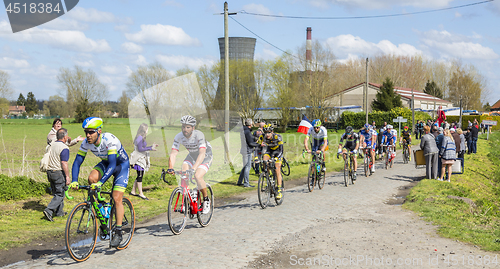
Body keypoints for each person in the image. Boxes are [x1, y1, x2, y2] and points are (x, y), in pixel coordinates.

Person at [69, 117, 130, 247]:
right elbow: (77, 162)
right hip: (106, 163)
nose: (88, 135)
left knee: (117, 197)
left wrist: (101, 182)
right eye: (86, 132)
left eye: (91, 132)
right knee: (91, 179)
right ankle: (102, 206)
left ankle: (118, 231)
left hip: (120, 166)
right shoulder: (86, 142)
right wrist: (74, 180)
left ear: (99, 131)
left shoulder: (109, 140)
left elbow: (113, 164)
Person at [167, 115, 213, 214]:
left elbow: (202, 153)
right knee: (184, 173)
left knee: (197, 176)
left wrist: (194, 168)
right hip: (192, 155)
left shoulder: (199, 135)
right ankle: (186, 202)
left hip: (205, 156)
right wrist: (170, 167)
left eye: (188, 127)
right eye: (183, 126)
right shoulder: (179, 136)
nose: (185, 129)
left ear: (193, 128)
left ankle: (206, 200)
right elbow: (173, 153)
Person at [43, 128, 71, 221]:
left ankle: (59, 212)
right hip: (58, 172)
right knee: (60, 194)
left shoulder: (52, 144)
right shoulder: (64, 148)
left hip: (49, 172)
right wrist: (67, 176)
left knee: (56, 192)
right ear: (65, 137)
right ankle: (49, 210)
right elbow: (64, 163)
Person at [129, 123, 158, 200]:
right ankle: (141, 193)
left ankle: (133, 191)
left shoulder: (141, 137)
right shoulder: (139, 138)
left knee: (140, 175)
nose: (148, 130)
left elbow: (143, 147)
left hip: (141, 158)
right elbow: (140, 149)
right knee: (140, 175)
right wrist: (150, 148)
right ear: (144, 130)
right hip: (138, 159)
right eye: (147, 129)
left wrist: (151, 147)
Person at [258, 124, 284, 199]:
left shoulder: (277, 137)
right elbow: (257, 148)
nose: (267, 134)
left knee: (277, 168)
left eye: (269, 132)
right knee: (264, 160)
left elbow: (281, 150)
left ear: (272, 132)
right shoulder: (262, 137)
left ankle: (279, 190)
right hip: (269, 151)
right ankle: (267, 176)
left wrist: (276, 158)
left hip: (277, 152)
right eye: (265, 132)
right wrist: (256, 158)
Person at [238, 118, 260, 188]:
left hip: (244, 150)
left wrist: (253, 138)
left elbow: (249, 139)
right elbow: (250, 143)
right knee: (248, 167)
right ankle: (246, 183)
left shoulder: (244, 130)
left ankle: (240, 181)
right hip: (247, 151)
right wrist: (258, 144)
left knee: (245, 166)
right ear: (251, 124)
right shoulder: (247, 131)